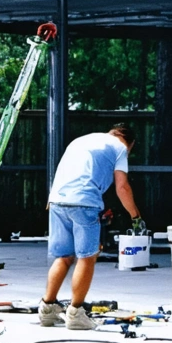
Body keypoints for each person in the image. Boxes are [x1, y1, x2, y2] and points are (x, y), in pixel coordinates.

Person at [40, 124, 144, 330]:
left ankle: (47, 309)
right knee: (87, 256)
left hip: (57, 200)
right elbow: (122, 187)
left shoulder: (81, 140)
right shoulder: (119, 148)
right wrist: (136, 215)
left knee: (64, 257)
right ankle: (76, 313)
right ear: (129, 143)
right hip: (84, 202)